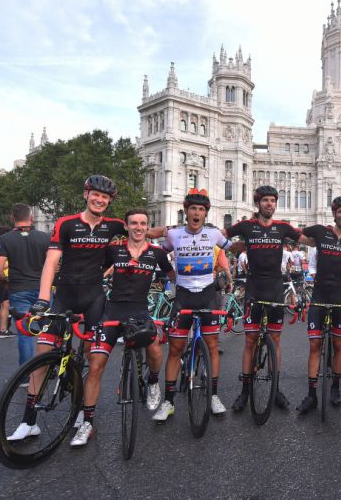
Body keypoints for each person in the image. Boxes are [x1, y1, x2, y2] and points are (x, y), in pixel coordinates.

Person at [69, 209, 174, 446]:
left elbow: (173, 276)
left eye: (143, 223)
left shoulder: (157, 253)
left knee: (156, 349)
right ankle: (87, 422)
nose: (138, 227)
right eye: (134, 223)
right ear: (126, 227)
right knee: (95, 365)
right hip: (111, 311)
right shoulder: (113, 250)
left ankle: (153, 381)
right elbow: (93, 272)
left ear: (148, 227)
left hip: (139, 312)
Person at [153, 190, 232, 422]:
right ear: (186, 212)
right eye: (193, 209)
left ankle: (214, 395)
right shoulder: (175, 235)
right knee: (175, 349)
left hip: (208, 295)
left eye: (201, 210)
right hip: (184, 296)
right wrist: (170, 274)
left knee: (212, 344)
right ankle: (167, 401)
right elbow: (159, 253)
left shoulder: (214, 234)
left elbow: (231, 248)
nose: (196, 213)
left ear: (205, 213)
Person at [223, 186, 302, 412]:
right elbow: (221, 236)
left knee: (275, 341)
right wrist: (231, 247)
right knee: (250, 341)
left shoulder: (283, 227)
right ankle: (245, 392)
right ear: (258, 203)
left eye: (273, 201)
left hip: (276, 290)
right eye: (265, 200)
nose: (269, 204)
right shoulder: (246, 227)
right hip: (254, 290)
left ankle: (276, 390)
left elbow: (309, 240)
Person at [295, 196, 341, 414]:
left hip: (340, 297)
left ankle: (335, 387)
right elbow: (297, 236)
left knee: (339, 345)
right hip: (318, 296)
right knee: (315, 346)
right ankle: (311, 395)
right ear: (334, 213)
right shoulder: (320, 231)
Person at [0, 204, 49, 369]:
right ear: (31, 218)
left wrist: (6, 283)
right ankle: (47, 368)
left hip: (18, 289)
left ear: (12, 218)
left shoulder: (5, 239)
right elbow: (52, 264)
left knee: (25, 333)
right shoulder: (44, 237)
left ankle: (25, 373)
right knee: (47, 331)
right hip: (43, 289)